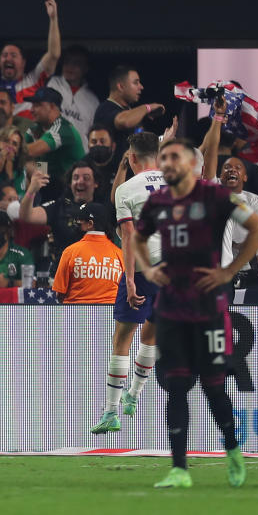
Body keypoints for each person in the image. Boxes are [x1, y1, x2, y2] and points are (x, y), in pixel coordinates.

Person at [133, 138, 258, 489]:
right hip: (172, 308)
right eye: (162, 157)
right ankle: (179, 469)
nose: (166, 162)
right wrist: (147, 269)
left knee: (212, 387)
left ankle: (233, 450)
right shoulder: (157, 202)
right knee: (175, 386)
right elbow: (137, 238)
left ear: (192, 164)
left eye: (173, 156)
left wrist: (230, 270)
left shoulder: (217, 197)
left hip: (208, 308)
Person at [89, 132, 164, 434]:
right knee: (152, 332)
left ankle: (110, 412)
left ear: (131, 158)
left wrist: (130, 281)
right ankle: (134, 394)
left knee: (122, 339)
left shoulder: (125, 189)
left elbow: (129, 237)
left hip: (146, 266)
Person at [17, 159, 104, 267]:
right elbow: (26, 216)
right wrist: (32, 190)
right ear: (70, 183)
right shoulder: (58, 206)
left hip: (94, 270)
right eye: (75, 178)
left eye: (86, 178)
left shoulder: (103, 209)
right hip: (62, 271)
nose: (80, 181)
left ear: (95, 183)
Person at [53, 202, 123, 304]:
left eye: (80, 221)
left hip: (75, 316)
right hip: (109, 317)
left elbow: (59, 294)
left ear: (90, 224)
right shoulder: (119, 254)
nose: (77, 223)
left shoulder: (70, 252)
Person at [24, 86, 86, 199]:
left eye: (37, 105)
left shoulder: (64, 129)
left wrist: (8, 149)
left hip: (72, 189)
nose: (32, 110)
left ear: (52, 107)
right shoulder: (35, 129)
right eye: (32, 105)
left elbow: (31, 151)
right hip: (50, 186)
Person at [92, 66, 162, 158]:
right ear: (121, 86)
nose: (141, 87)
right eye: (135, 83)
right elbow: (125, 121)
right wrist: (148, 107)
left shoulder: (129, 111)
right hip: (113, 171)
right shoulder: (105, 109)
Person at [219, 156, 258, 273]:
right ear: (220, 177)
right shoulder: (210, 199)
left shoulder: (254, 201)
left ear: (245, 177)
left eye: (238, 168)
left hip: (245, 266)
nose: (232, 170)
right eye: (227, 167)